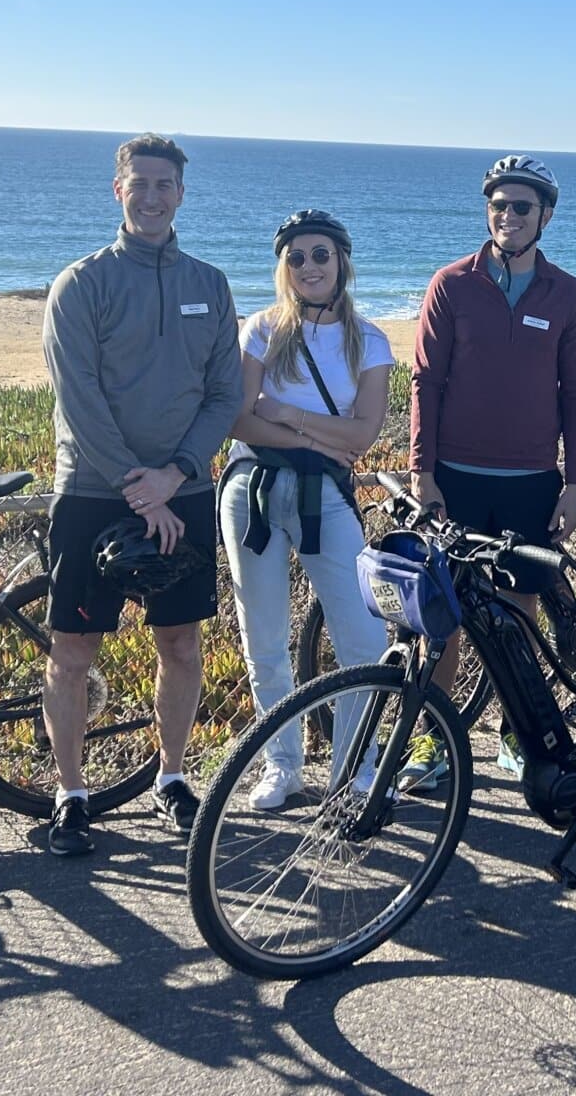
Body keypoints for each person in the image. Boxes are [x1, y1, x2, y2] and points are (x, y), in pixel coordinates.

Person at [40, 133, 242, 856]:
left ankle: (172, 778)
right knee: (73, 650)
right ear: (117, 191)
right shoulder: (81, 284)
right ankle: (70, 794)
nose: (152, 196)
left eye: (165, 185)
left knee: (180, 643)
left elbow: (224, 394)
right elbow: (81, 399)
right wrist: (140, 488)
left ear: (181, 194)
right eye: (139, 183)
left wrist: (175, 476)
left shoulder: (210, 285)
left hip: (182, 491)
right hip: (96, 491)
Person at [406, 155, 576, 788]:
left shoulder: (568, 294)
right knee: (441, 617)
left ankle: (516, 734)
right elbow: (425, 382)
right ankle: (436, 742)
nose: (507, 216)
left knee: (518, 615)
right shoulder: (451, 284)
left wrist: (573, 483)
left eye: (521, 207)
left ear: (545, 216)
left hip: (531, 482)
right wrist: (420, 472)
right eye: (498, 205)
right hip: (454, 479)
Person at [218, 210, 393, 810]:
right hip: (254, 489)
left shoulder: (368, 339)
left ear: (342, 260)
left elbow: (363, 436)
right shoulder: (262, 329)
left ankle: (356, 767)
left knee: (364, 638)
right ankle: (282, 765)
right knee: (262, 635)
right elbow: (240, 419)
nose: (309, 266)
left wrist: (285, 415)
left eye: (321, 254)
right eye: (296, 257)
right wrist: (322, 436)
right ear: (282, 269)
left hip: (328, 497)